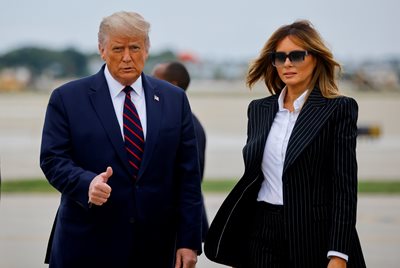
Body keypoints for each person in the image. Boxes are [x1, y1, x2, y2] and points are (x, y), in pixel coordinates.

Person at [40, 11, 202, 268]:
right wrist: (87, 184)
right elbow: (52, 159)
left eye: (135, 47)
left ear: (147, 49)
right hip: (86, 245)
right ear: (102, 50)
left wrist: (188, 240)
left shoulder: (174, 99)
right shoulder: (68, 98)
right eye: (118, 48)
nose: (127, 57)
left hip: (155, 248)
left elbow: (188, 176)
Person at [204, 20, 366, 268]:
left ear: (315, 58)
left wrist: (338, 253)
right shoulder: (259, 110)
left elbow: (344, 189)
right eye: (280, 57)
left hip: (314, 236)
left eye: (297, 55)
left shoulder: (338, 109)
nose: (287, 63)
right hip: (263, 231)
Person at [152, 61, 209, 242]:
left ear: (172, 85)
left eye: (155, 79)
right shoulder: (159, 119)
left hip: (175, 224)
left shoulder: (189, 125)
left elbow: (191, 180)